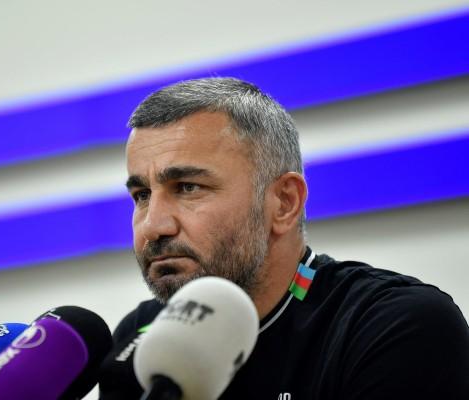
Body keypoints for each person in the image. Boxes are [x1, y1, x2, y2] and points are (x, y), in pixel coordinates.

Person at [98, 77, 469, 399]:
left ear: (283, 203)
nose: (153, 226)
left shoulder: (392, 326)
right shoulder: (141, 338)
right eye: (142, 195)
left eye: (188, 187)